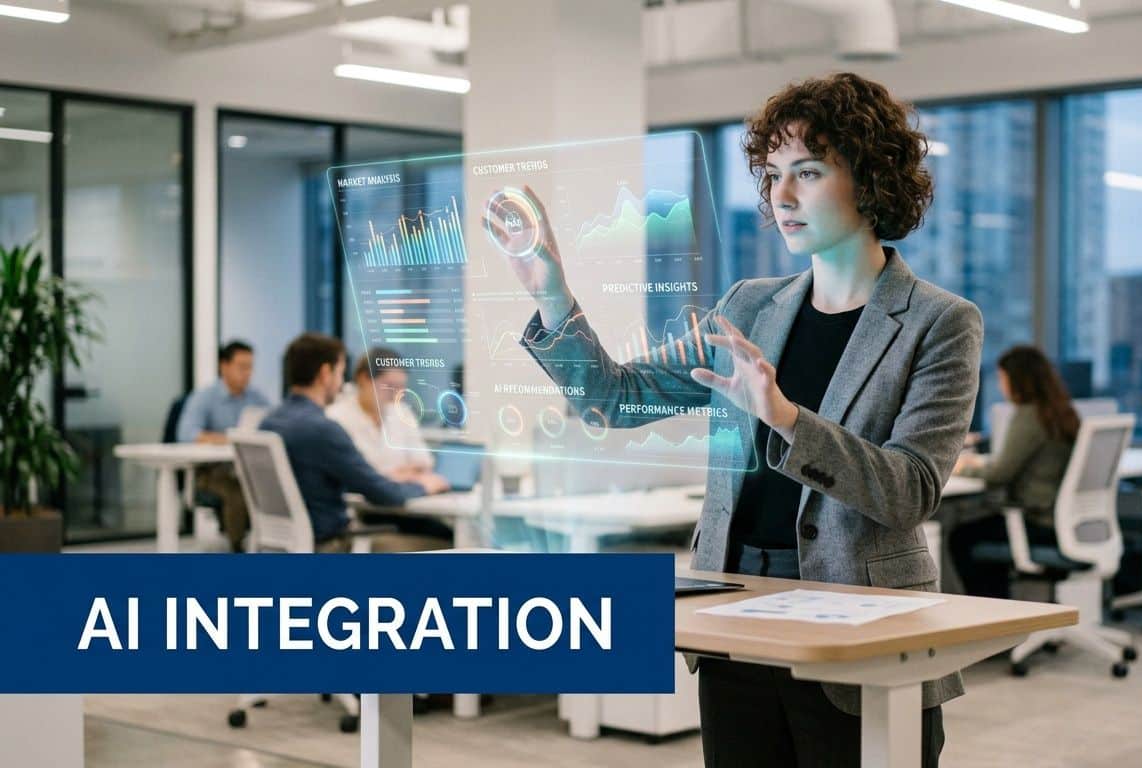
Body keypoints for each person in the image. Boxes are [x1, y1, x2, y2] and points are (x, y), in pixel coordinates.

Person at [487, 73, 982, 768]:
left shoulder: (939, 322)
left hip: (864, 623)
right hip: (734, 611)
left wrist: (782, 416)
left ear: (869, 181)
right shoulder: (751, 305)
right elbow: (615, 396)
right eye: (773, 175)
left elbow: (910, 490)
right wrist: (553, 298)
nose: (781, 197)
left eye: (807, 173)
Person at [259, 333, 450, 552]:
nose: (341, 384)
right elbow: (384, 494)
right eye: (340, 373)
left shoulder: (269, 423)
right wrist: (423, 485)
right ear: (325, 374)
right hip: (333, 544)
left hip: (287, 544)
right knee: (452, 546)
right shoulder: (324, 429)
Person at [948, 346, 1081, 599]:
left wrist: (961, 468)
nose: (1001, 386)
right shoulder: (1060, 412)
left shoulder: (1029, 416)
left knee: (961, 537)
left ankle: (993, 618)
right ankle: (999, 615)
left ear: (1017, 379)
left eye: (1002, 379)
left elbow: (1000, 473)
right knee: (975, 530)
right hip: (1058, 520)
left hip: (1034, 520)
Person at [327, 347, 454, 543]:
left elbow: (424, 463)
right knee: (447, 543)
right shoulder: (336, 418)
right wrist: (398, 475)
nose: (396, 395)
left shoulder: (400, 412)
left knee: (453, 534)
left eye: (401, 387)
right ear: (363, 379)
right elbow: (357, 478)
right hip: (363, 515)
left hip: (404, 507)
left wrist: (387, 475)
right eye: (390, 386)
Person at [175, 340, 271, 551]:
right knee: (238, 489)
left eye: (250, 367)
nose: (247, 373)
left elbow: (274, 428)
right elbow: (186, 434)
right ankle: (237, 548)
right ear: (224, 366)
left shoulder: (257, 398)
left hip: (247, 469)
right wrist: (228, 439)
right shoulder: (204, 398)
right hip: (210, 472)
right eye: (242, 367)